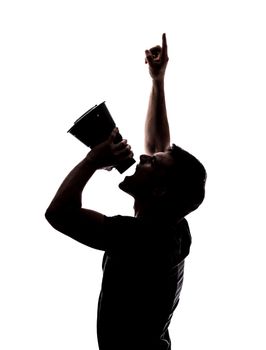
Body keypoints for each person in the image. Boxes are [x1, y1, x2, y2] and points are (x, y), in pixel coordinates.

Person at [45, 33, 207, 350]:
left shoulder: (142, 238)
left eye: (151, 164)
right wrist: (157, 82)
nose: (144, 157)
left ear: (160, 191)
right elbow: (160, 147)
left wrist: (92, 160)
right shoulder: (173, 226)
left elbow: (59, 215)